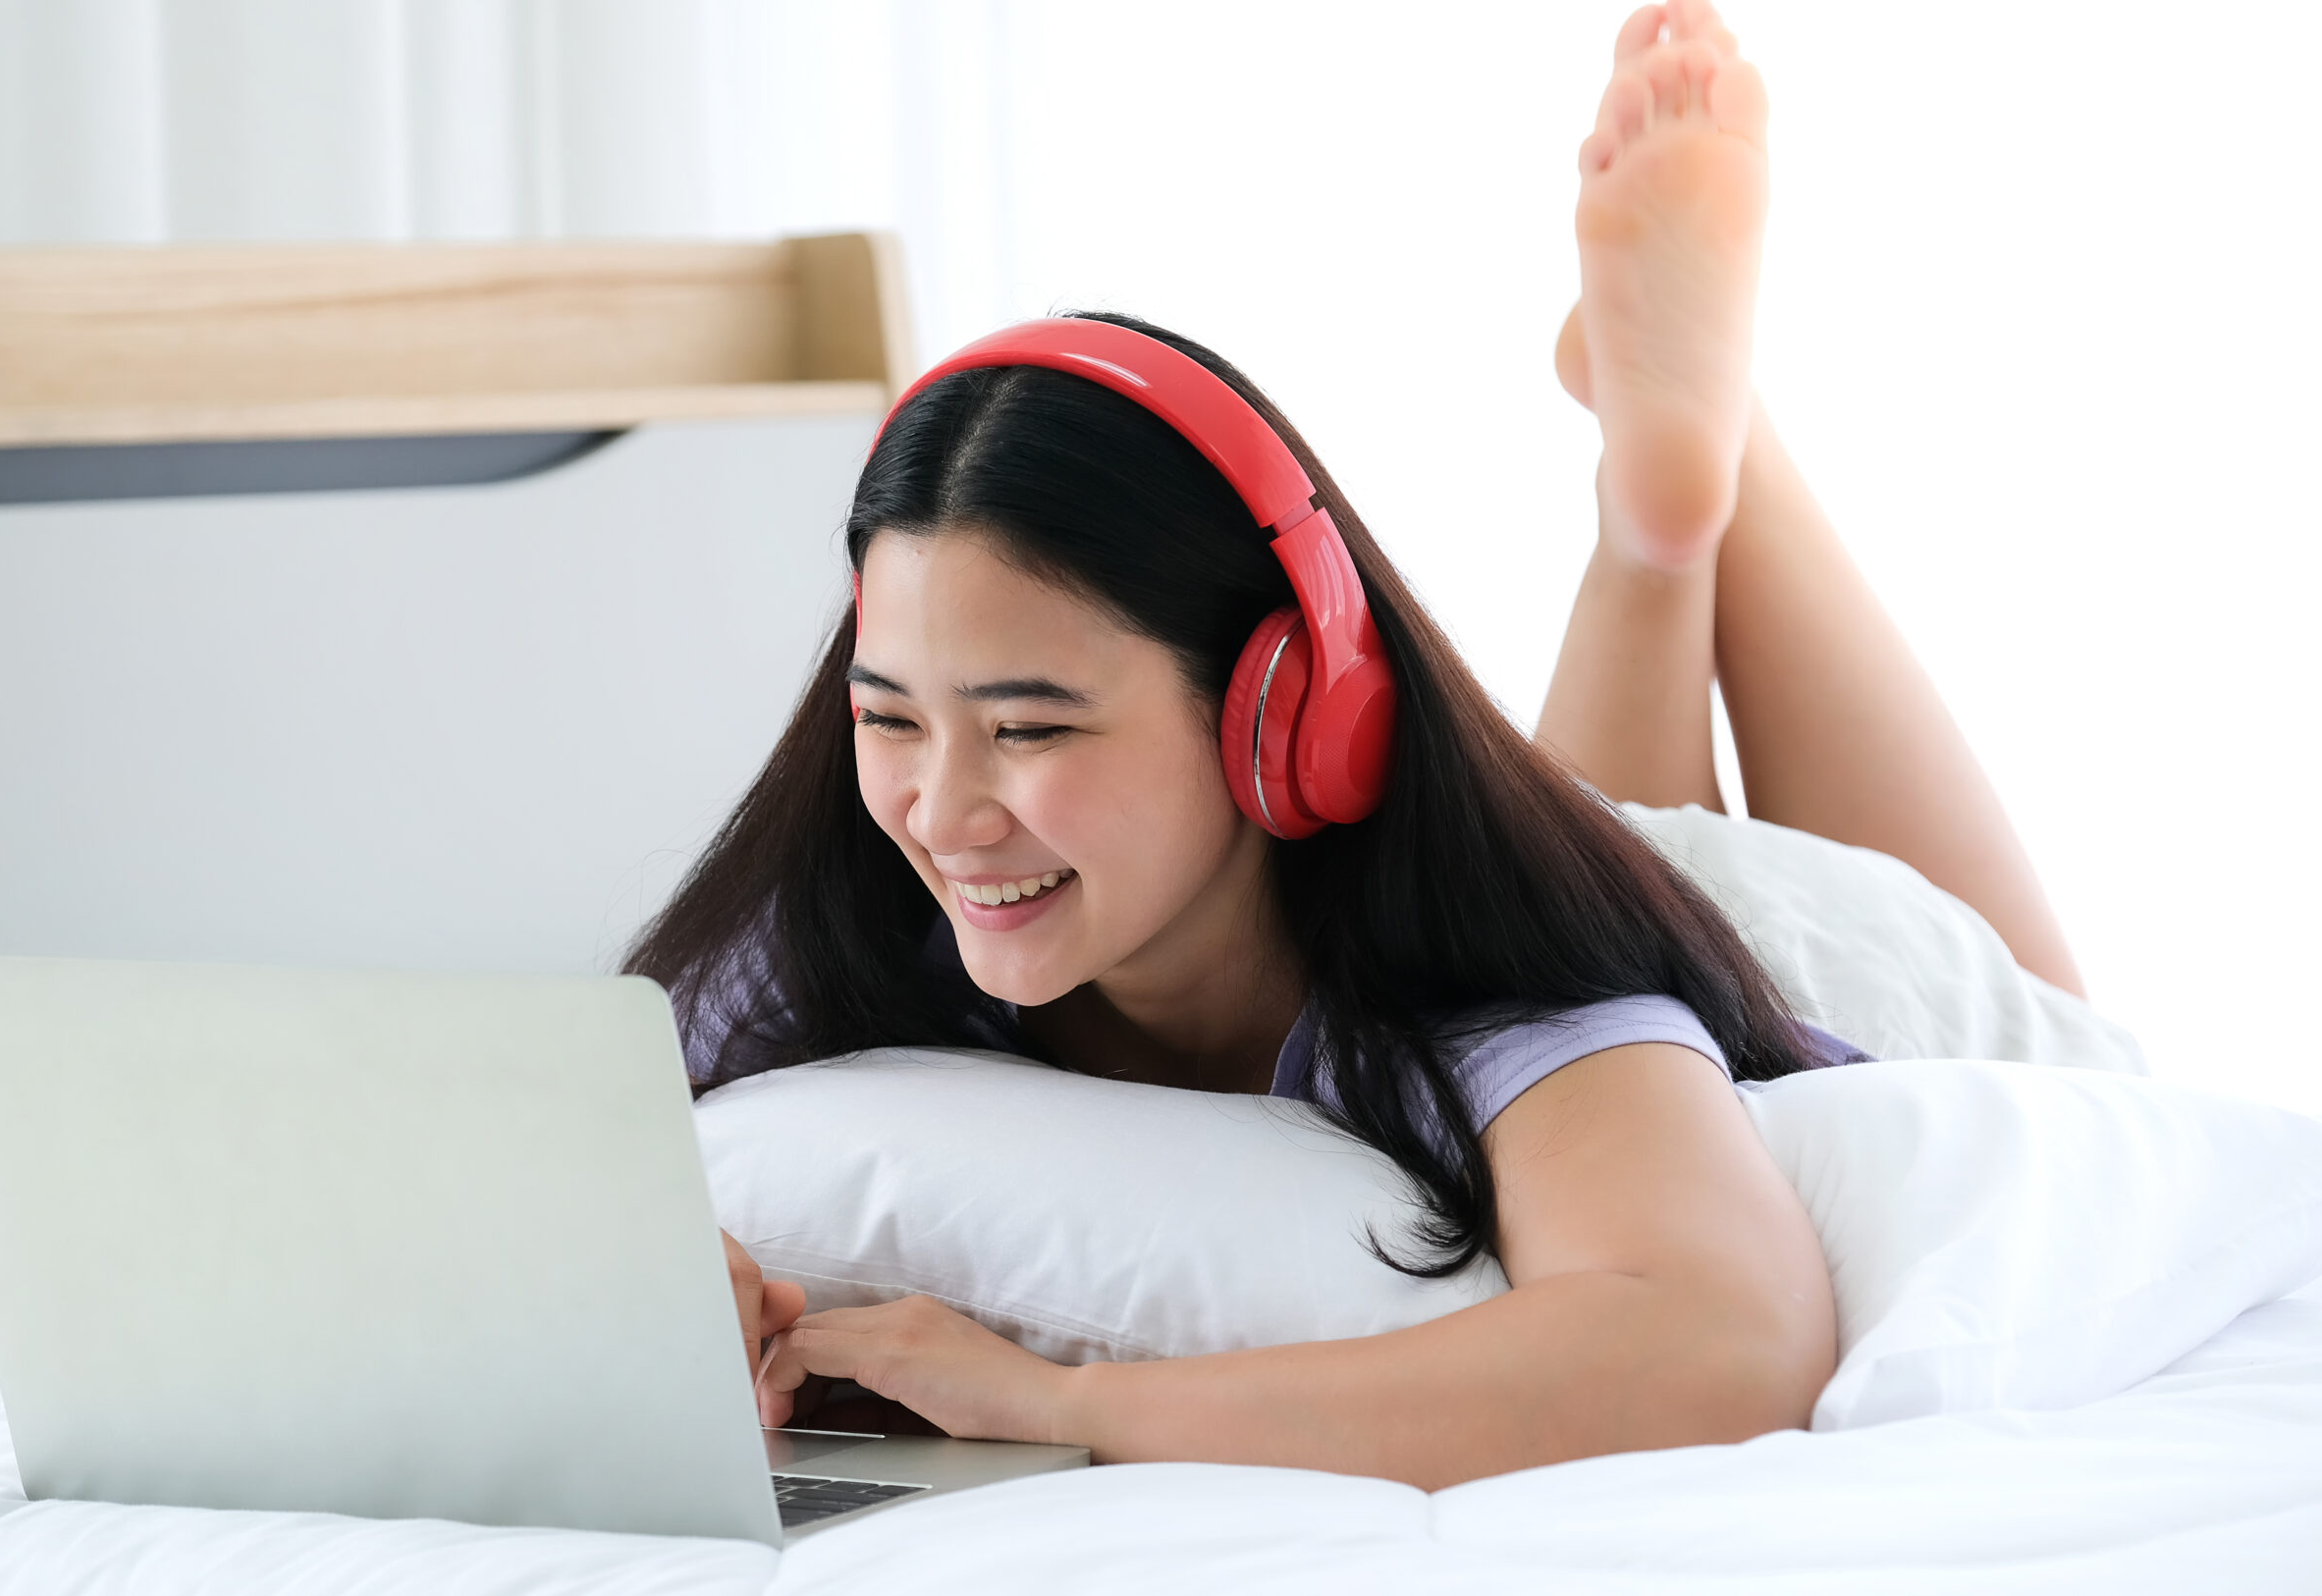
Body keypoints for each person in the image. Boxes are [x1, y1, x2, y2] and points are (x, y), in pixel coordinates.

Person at [625, 0, 2086, 1490]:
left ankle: (1713, 477)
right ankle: (1659, 514)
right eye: (889, 718)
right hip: (1581, 832)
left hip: (1834, 949)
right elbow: (547, 1192)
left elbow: (1719, 1343)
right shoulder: (861, 914)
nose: (942, 809)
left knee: (2036, 1012)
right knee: (1598, 805)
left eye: (1028, 726)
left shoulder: (1491, 974)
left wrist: (1054, 1400)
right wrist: (688, 1289)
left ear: (1279, 709)